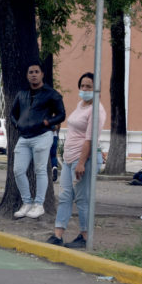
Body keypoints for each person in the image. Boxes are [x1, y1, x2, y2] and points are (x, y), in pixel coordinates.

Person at [47, 72, 105, 248]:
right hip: (69, 158)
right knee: (65, 196)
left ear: (96, 89)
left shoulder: (97, 110)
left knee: (81, 198)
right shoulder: (81, 105)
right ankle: (58, 234)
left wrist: (81, 163)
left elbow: (89, 139)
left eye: (89, 86)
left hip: (84, 159)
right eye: (82, 86)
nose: (84, 89)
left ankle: (85, 236)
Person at [10, 61, 66, 219]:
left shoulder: (51, 94)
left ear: (42, 74)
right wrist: (17, 124)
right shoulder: (22, 94)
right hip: (24, 137)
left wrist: (49, 122)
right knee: (18, 170)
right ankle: (27, 202)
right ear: (27, 76)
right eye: (31, 72)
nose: (33, 74)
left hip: (42, 135)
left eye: (36, 72)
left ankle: (39, 204)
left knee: (40, 170)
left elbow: (61, 114)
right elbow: (13, 113)